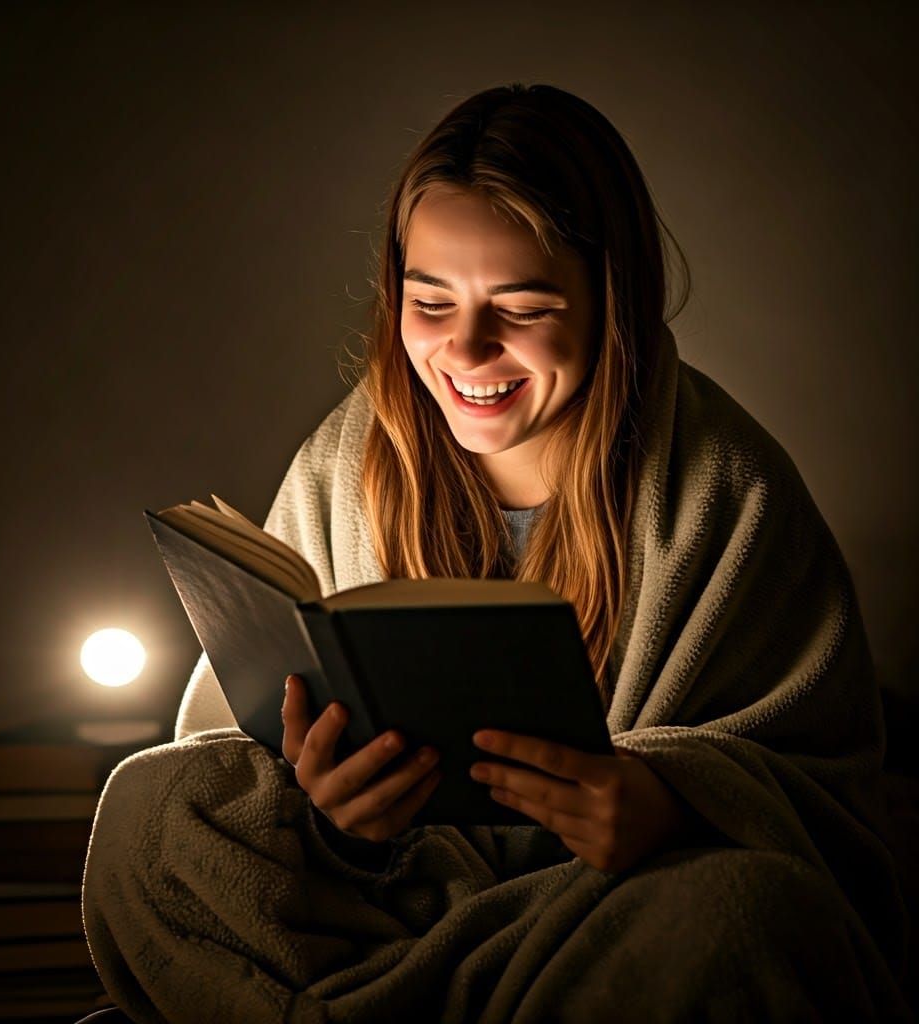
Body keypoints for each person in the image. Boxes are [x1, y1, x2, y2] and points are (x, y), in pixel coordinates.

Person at [82, 84, 910, 1023]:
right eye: (430, 301)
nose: (466, 349)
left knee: (738, 916)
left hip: (597, 917)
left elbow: (829, 804)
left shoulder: (727, 487)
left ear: (612, 301)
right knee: (153, 806)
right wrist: (338, 818)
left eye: (521, 307)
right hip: (394, 909)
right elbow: (243, 749)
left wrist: (671, 803)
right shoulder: (349, 456)